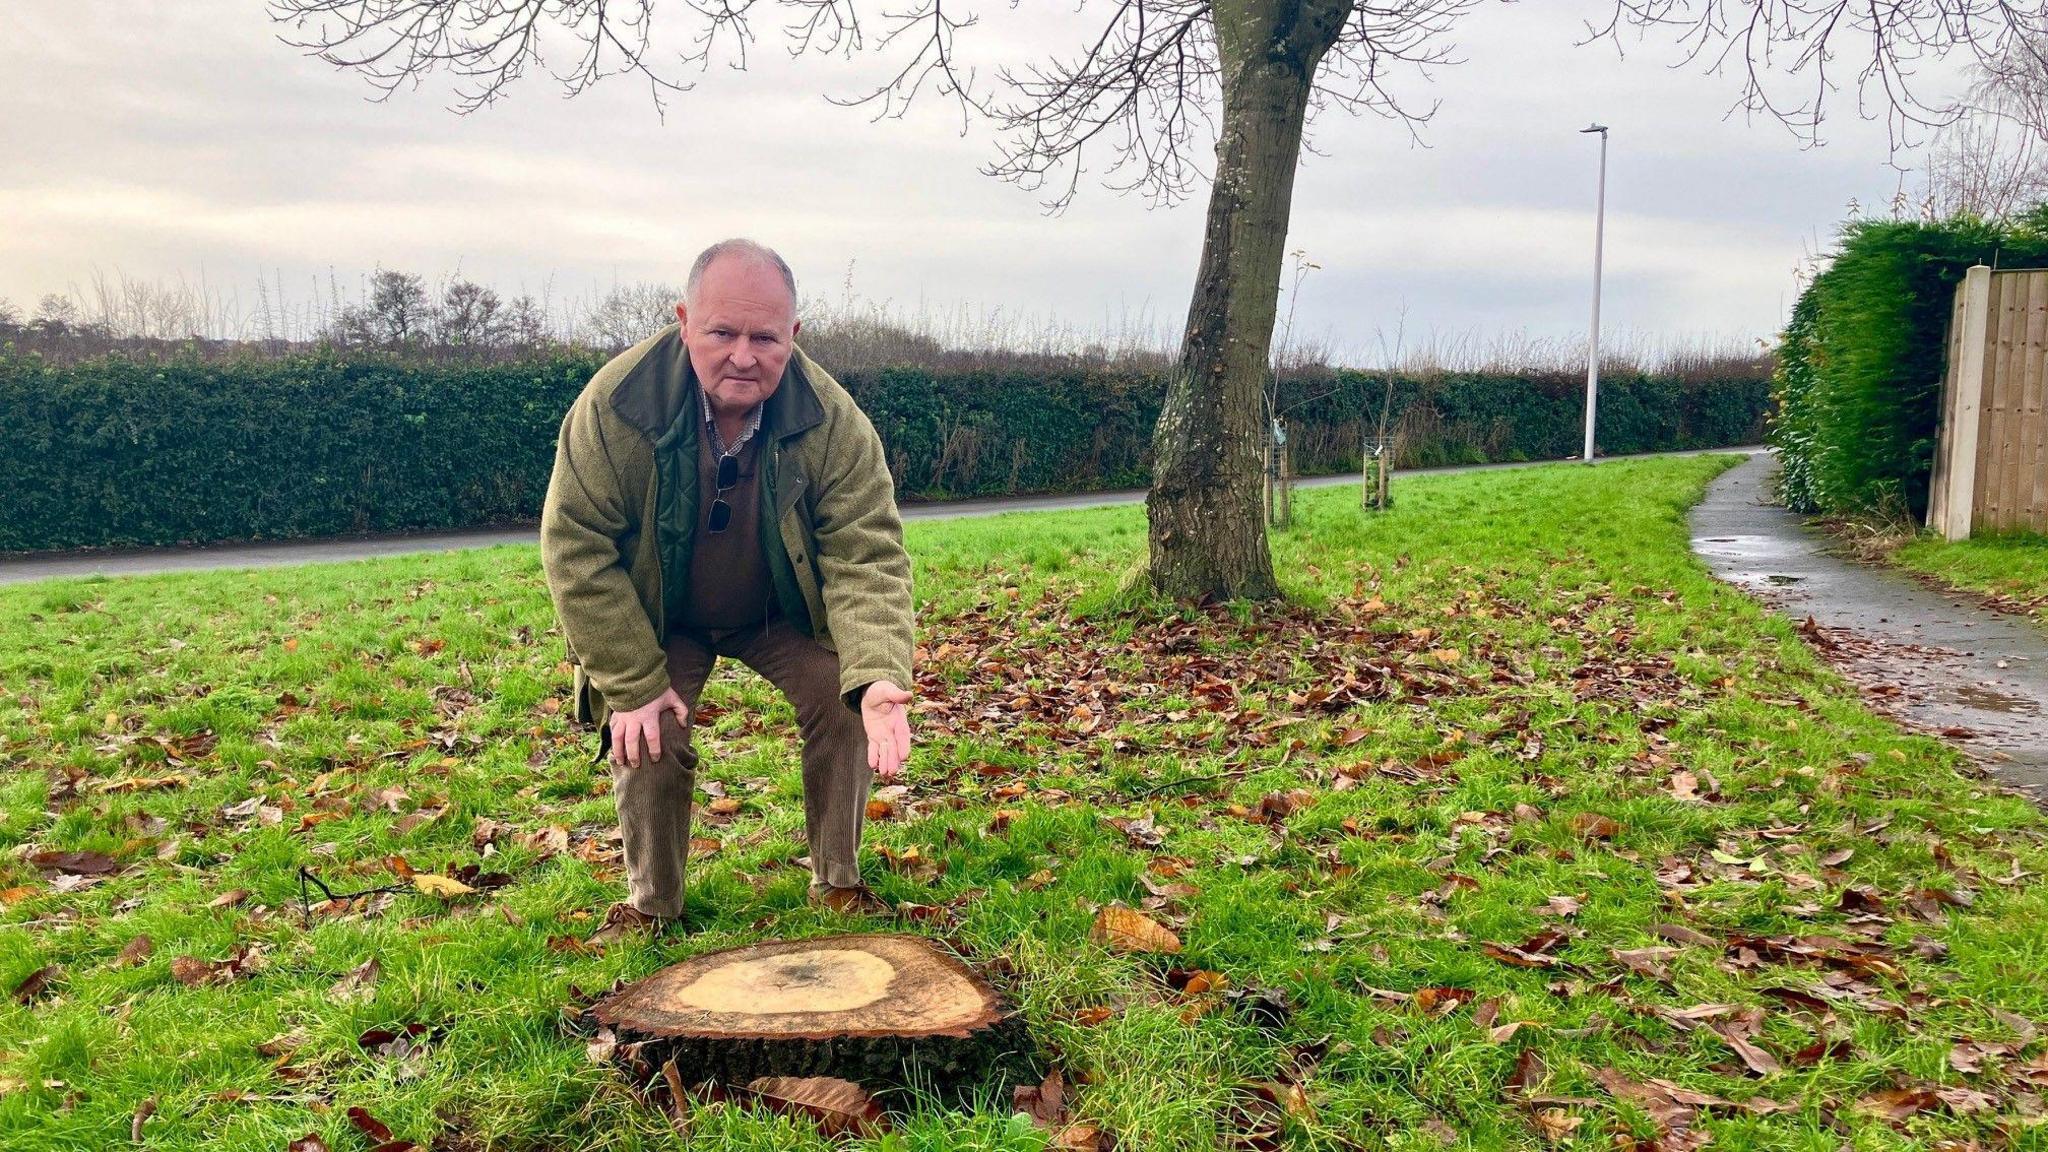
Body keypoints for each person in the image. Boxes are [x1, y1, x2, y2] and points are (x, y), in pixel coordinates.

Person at [539, 238, 914, 939]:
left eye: (765, 337)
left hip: (777, 610)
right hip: (663, 614)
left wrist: (876, 675)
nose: (744, 355)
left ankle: (839, 882)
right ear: (684, 321)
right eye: (722, 332)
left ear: (793, 336)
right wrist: (632, 682)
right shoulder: (616, 408)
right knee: (649, 732)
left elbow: (867, 549)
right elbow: (575, 547)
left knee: (845, 705)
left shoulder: (831, 420)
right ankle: (654, 906)